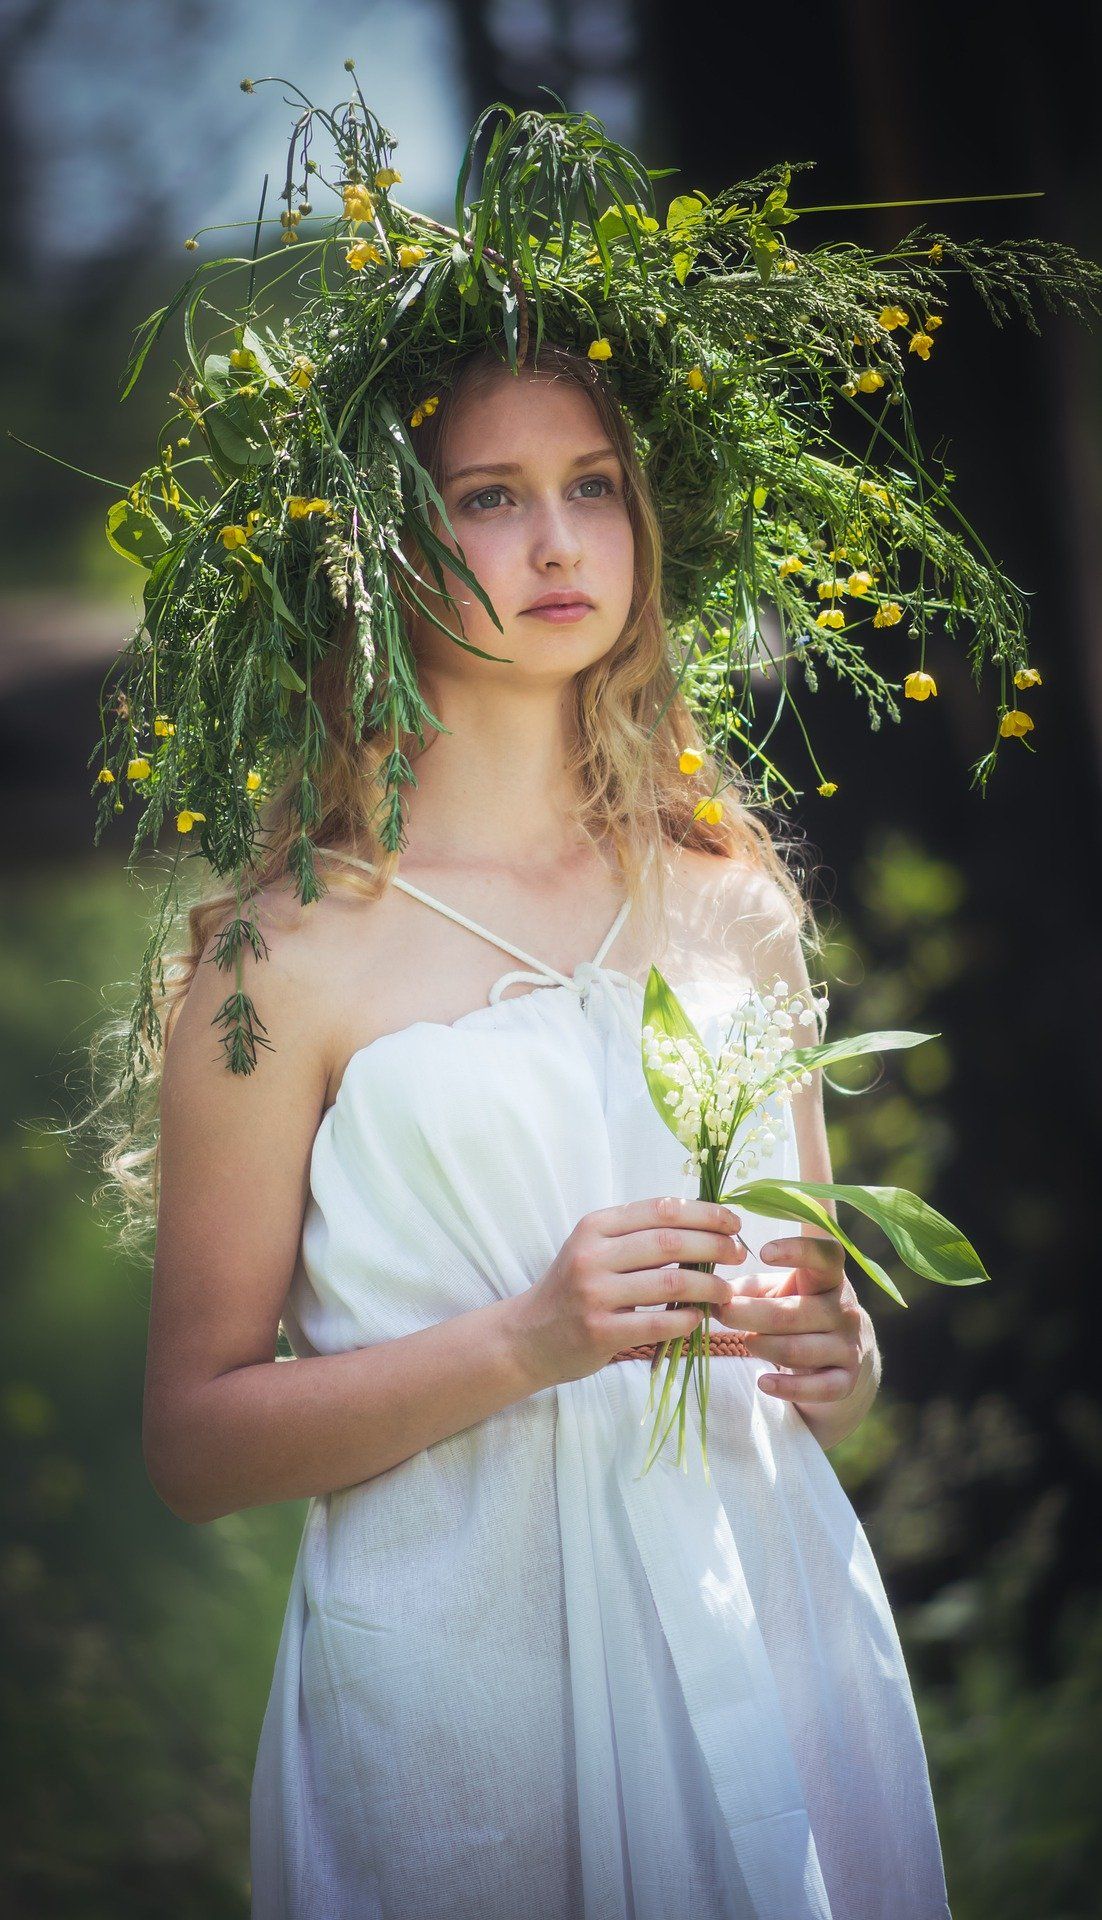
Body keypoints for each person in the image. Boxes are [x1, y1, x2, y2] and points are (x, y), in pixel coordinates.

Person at [139, 341, 950, 1919]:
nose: (561, 542)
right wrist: (522, 1343)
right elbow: (192, 1446)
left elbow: (807, 1359)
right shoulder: (281, 959)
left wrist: (834, 1358)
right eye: (488, 499)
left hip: (765, 1640)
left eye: (592, 488)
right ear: (376, 547)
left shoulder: (733, 905)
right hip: (465, 1707)